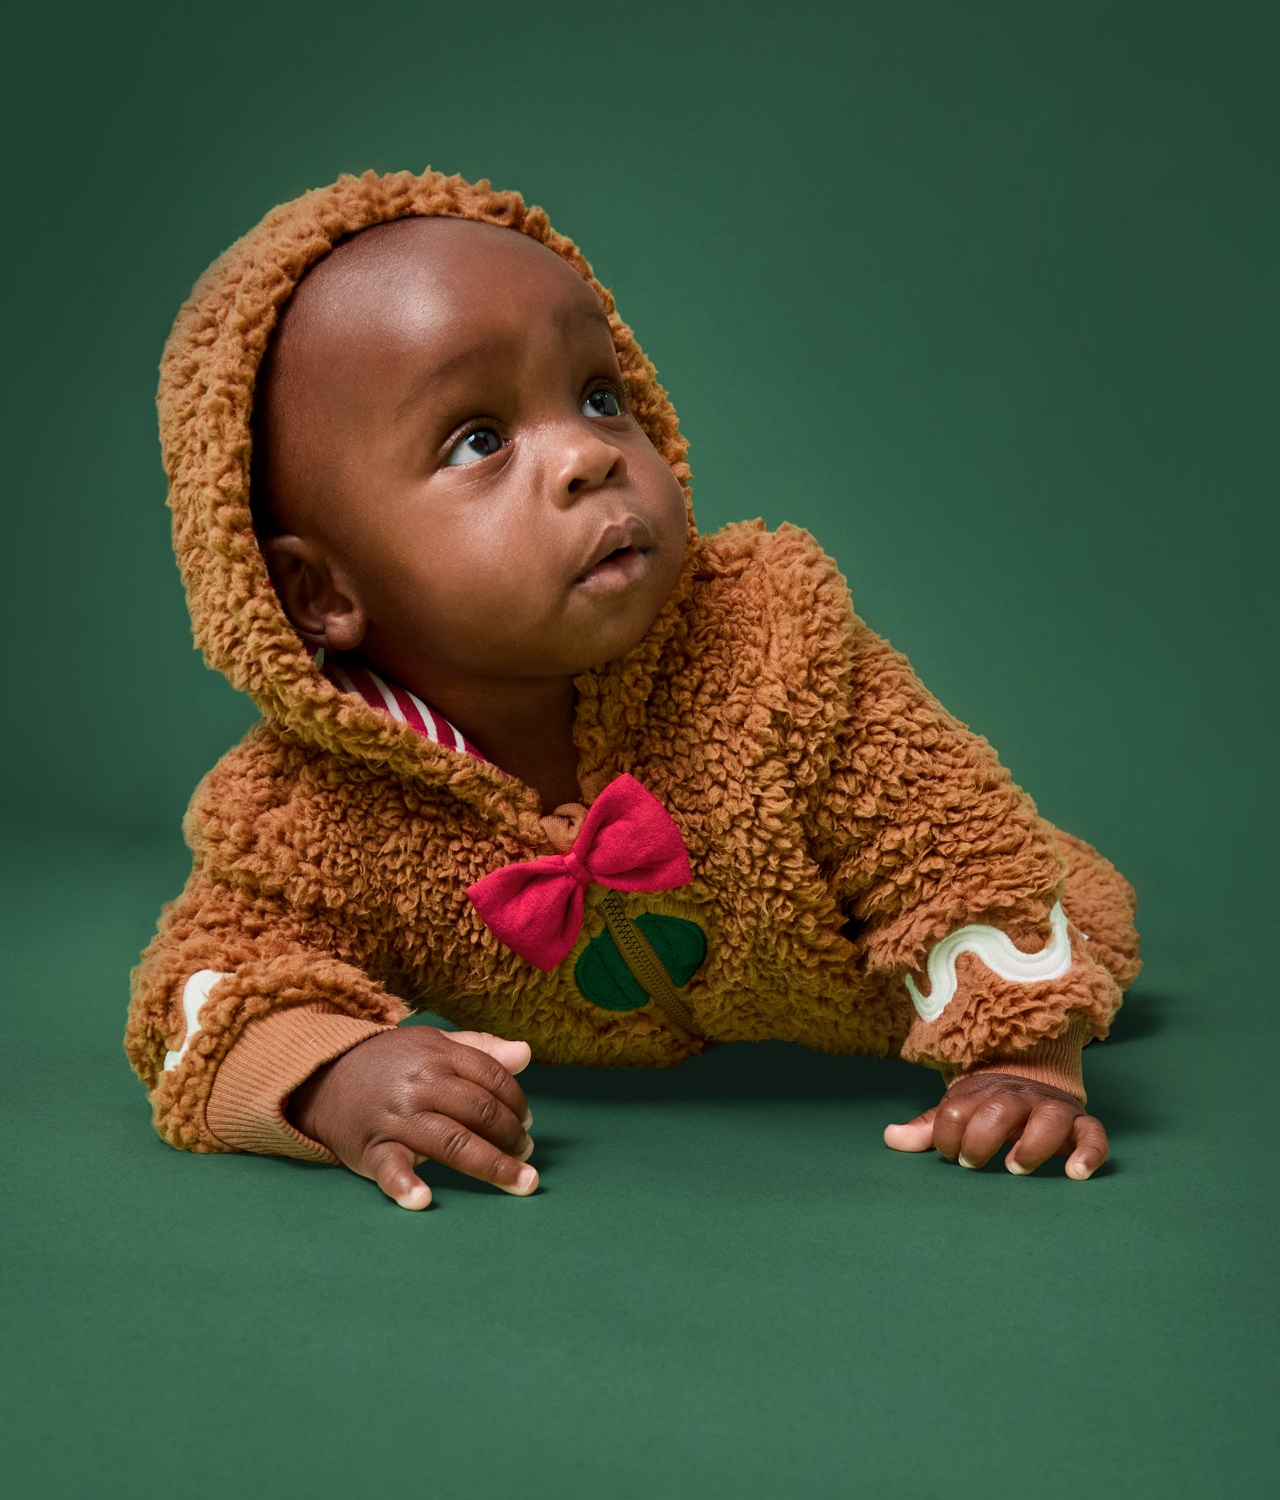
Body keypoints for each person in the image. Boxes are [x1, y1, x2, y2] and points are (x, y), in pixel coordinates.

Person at [127, 168, 1141, 1209]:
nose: (586, 454)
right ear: (319, 592)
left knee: (1066, 900)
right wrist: (331, 1076)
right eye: (479, 439)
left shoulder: (773, 646)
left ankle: (1064, 959)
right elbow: (202, 991)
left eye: (599, 398)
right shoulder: (304, 811)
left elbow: (952, 844)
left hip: (883, 980)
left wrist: (1018, 1059)